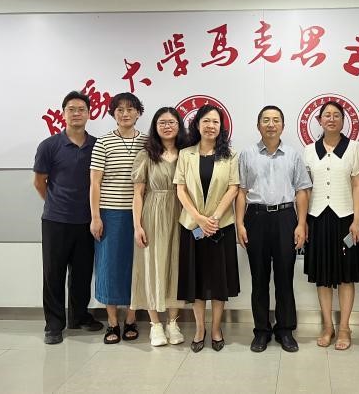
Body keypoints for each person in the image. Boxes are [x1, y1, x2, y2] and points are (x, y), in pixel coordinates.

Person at [236, 105, 312, 353]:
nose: (271, 124)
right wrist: (240, 223)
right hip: (255, 218)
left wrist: (301, 223)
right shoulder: (247, 154)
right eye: (266, 120)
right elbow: (241, 192)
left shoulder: (292, 155)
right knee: (259, 279)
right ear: (258, 125)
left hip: (285, 217)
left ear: (283, 125)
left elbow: (302, 191)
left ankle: (285, 330)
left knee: (284, 278)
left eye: (276, 120)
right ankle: (261, 331)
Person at [33, 91, 103, 345]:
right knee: (54, 274)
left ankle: (79, 316)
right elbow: (39, 182)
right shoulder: (49, 145)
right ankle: (54, 324)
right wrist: (56, 204)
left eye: (81, 109)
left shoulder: (98, 145)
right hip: (56, 221)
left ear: (89, 114)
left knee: (82, 273)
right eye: (71, 109)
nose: (76, 113)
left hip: (87, 220)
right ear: (63, 113)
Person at [173, 104, 240, 353]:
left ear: (221, 127)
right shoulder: (185, 154)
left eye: (215, 122)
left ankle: (216, 329)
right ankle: (200, 328)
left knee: (219, 282)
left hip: (221, 226)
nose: (211, 126)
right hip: (193, 226)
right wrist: (199, 219)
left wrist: (214, 218)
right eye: (206, 121)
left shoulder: (230, 155)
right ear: (197, 125)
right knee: (197, 281)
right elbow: (180, 189)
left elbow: (233, 188)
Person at [303, 101, 359, 351]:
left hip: (346, 220)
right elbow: (305, 189)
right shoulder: (309, 150)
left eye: (336, 115)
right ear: (319, 121)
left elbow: (358, 185)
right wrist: (303, 222)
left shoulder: (354, 148)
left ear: (343, 120)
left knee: (346, 277)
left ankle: (345, 328)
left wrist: (357, 220)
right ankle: (327, 326)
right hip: (318, 219)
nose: (331, 119)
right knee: (323, 278)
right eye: (326, 115)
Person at [90, 92, 147, 344]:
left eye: (130, 109)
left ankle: (131, 319)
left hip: (140, 214)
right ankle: (112, 322)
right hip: (110, 214)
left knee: (136, 267)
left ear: (138, 113)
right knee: (109, 267)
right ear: (113, 113)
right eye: (120, 109)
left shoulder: (147, 141)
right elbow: (94, 183)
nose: (125, 113)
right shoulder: (103, 143)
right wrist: (95, 217)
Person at [130, 107, 188, 347]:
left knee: (176, 265)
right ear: (155, 126)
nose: (167, 126)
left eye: (171, 122)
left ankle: (173, 322)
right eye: (162, 122)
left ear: (179, 126)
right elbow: (138, 193)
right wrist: (137, 226)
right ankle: (155, 324)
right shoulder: (146, 154)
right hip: (153, 213)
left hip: (181, 213)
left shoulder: (187, 153)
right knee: (152, 264)